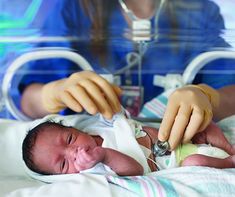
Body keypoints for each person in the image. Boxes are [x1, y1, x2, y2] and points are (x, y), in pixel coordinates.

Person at [19, 0, 235, 119]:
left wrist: (208, 97)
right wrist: (54, 94)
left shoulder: (199, 10)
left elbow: (230, 91)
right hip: (90, 146)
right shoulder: (73, 7)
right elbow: (26, 102)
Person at [22, 111, 235, 176]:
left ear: (75, 129)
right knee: (194, 161)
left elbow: (116, 112)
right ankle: (229, 162)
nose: (74, 152)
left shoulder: (96, 126)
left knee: (204, 123)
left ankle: (228, 147)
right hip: (180, 160)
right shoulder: (93, 170)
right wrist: (104, 155)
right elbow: (135, 169)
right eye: (63, 164)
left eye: (69, 139)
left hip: (178, 139)